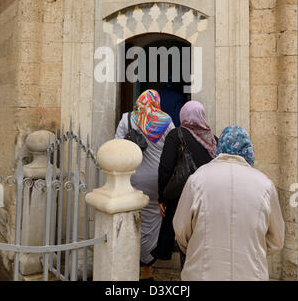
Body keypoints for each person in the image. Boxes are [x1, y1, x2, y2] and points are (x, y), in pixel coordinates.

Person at [173, 125, 285, 281]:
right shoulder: (265, 185)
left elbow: (180, 229)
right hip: (251, 274)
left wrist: (196, 249)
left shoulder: (197, 179)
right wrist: (251, 250)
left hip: (202, 274)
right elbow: (276, 240)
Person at [115, 89, 174, 280]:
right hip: (157, 181)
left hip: (133, 179)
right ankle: (147, 268)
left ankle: (131, 264)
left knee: (132, 219)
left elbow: (117, 146)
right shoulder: (166, 121)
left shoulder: (128, 118)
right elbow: (172, 150)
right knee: (154, 221)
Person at [152, 100, 217, 267]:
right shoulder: (213, 139)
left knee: (185, 243)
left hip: (182, 198)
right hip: (208, 198)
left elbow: (165, 168)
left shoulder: (176, 134)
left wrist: (162, 197)